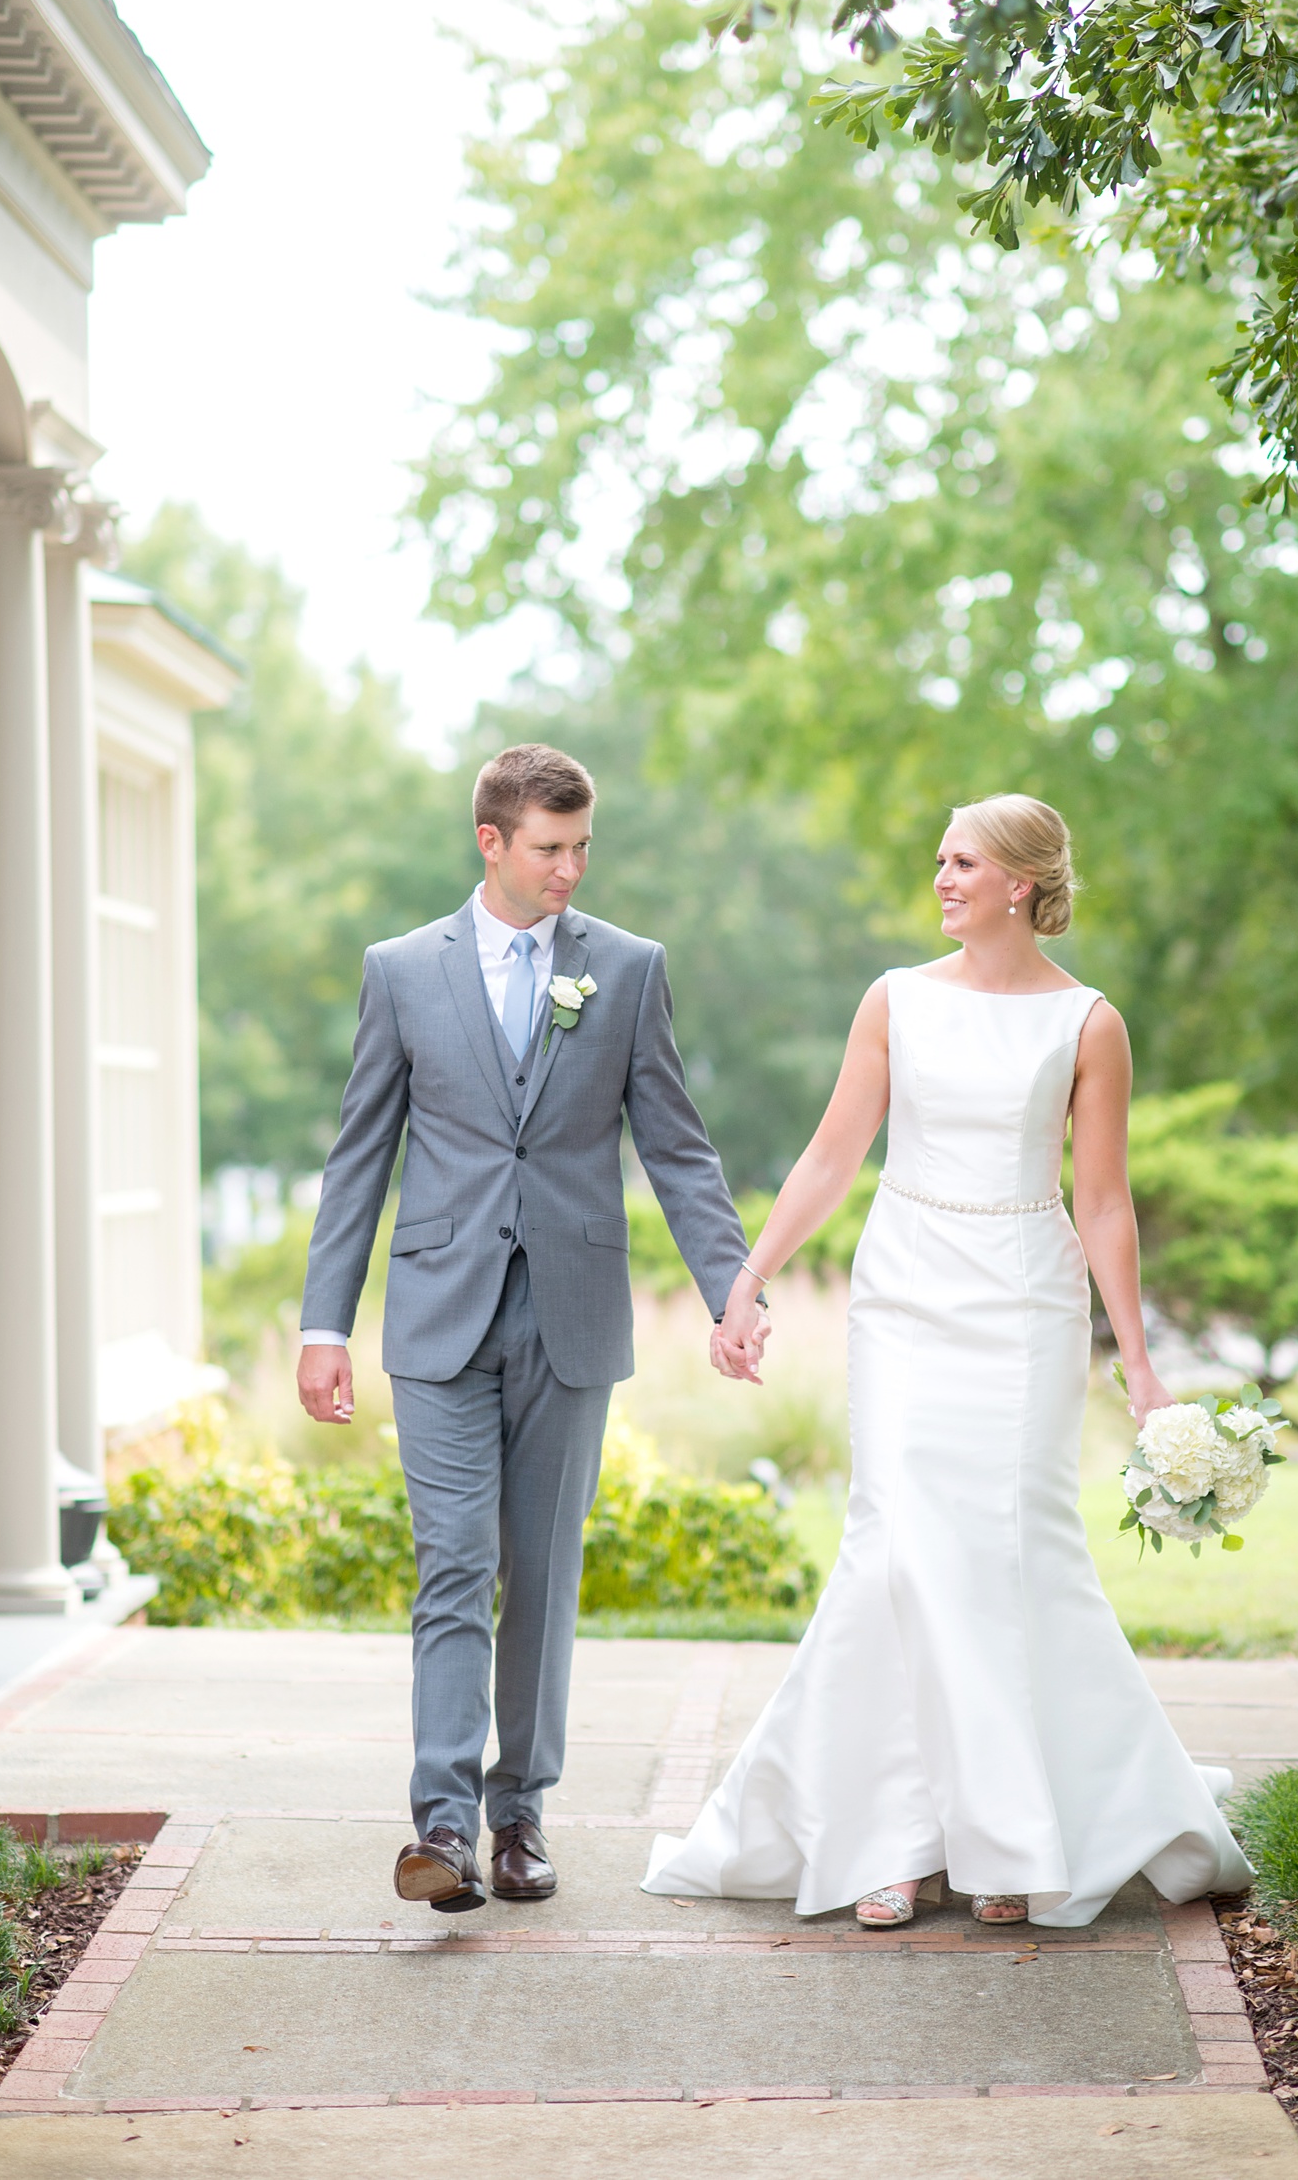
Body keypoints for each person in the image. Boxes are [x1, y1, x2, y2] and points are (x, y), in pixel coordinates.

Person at [642, 793, 1251, 1929]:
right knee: (898, 1553)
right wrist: (748, 1276)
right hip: (907, 1295)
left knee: (1012, 1552)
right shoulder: (894, 1001)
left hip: (1024, 1301)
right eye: (939, 861)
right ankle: (887, 1839)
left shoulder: (1089, 1025)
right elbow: (832, 1155)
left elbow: (1105, 1202)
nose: (942, 878)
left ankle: (1011, 1833)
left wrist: (1138, 1362)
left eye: (963, 862)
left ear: (1021, 882)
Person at [298, 743, 748, 1915]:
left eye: (582, 845)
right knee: (452, 1564)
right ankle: (439, 1827)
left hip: (570, 1315)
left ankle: (519, 1817)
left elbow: (677, 1147)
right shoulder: (400, 972)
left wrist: (730, 1289)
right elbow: (359, 1159)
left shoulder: (628, 970)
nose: (571, 868)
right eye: (549, 847)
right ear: (490, 843)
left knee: (540, 1572)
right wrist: (321, 1324)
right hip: (437, 1319)